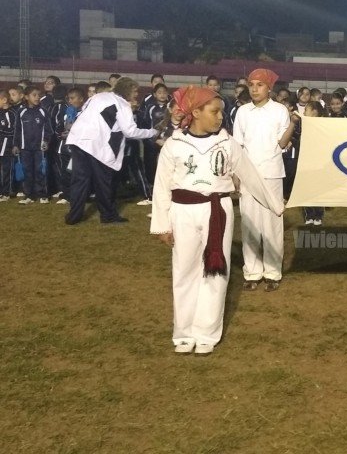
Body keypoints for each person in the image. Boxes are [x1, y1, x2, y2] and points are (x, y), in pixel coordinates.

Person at [150, 86, 284, 355]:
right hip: (183, 210)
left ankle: (207, 332)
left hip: (217, 210)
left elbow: (250, 176)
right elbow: (161, 187)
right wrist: (161, 225)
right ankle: (184, 332)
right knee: (184, 270)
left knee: (216, 272)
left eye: (221, 111)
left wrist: (275, 205)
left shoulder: (227, 143)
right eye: (214, 111)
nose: (220, 116)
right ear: (195, 112)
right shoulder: (175, 145)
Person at [233, 68, 296, 292]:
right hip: (248, 174)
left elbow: (281, 143)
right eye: (251, 84)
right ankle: (252, 272)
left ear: (269, 88)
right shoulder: (242, 113)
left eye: (259, 85)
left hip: (271, 173)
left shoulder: (279, 111)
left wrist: (293, 124)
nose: (254, 89)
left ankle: (272, 272)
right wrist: (236, 173)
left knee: (271, 225)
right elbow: (237, 146)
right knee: (249, 224)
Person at [64, 77, 159, 225]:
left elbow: (86, 113)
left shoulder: (98, 96)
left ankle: (73, 216)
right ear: (127, 90)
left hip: (77, 139)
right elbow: (130, 132)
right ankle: (108, 215)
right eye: (135, 91)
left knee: (79, 181)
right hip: (96, 145)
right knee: (104, 182)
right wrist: (152, 132)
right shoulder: (122, 105)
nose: (136, 95)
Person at [13, 86, 52, 204]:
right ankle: (28, 195)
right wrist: (15, 145)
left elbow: (49, 129)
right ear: (26, 97)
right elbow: (17, 130)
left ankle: (43, 194)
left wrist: (46, 141)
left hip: (40, 148)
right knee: (27, 171)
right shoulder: (21, 112)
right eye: (34, 95)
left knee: (41, 171)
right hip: (25, 149)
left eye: (38, 95)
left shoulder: (43, 111)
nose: (37, 97)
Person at [0, 89, 16, 201]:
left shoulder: (11, 113)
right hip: (1, 144)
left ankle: (7, 191)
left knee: (7, 168)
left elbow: (12, 130)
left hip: (7, 145)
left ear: (4, 100)